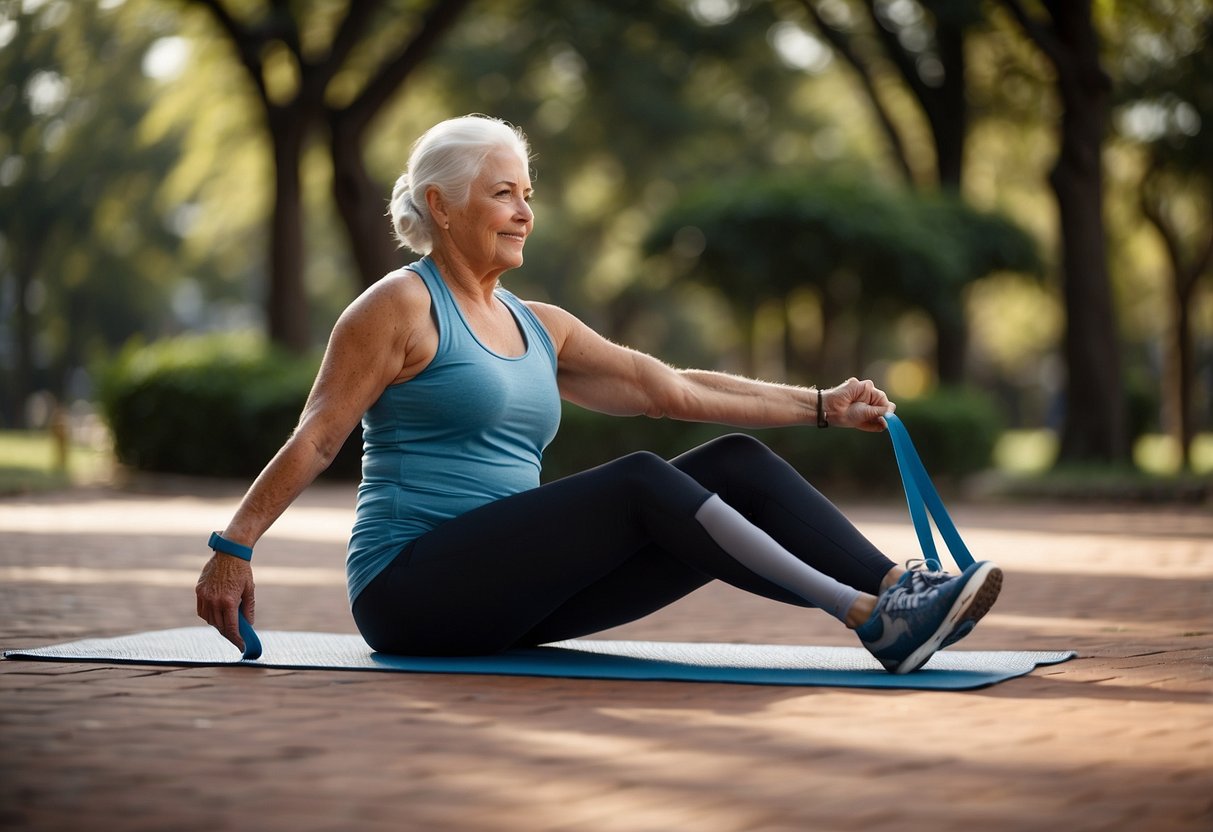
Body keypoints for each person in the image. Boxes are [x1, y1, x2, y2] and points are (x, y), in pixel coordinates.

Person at [196, 114, 1002, 674]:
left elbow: (673, 387)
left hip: (517, 597)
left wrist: (822, 404)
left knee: (735, 463)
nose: (524, 213)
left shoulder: (538, 324)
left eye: (526, 194)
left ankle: (898, 598)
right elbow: (318, 435)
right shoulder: (397, 307)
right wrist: (233, 548)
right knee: (638, 479)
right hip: (410, 591)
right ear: (440, 205)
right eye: (502, 194)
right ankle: (864, 615)